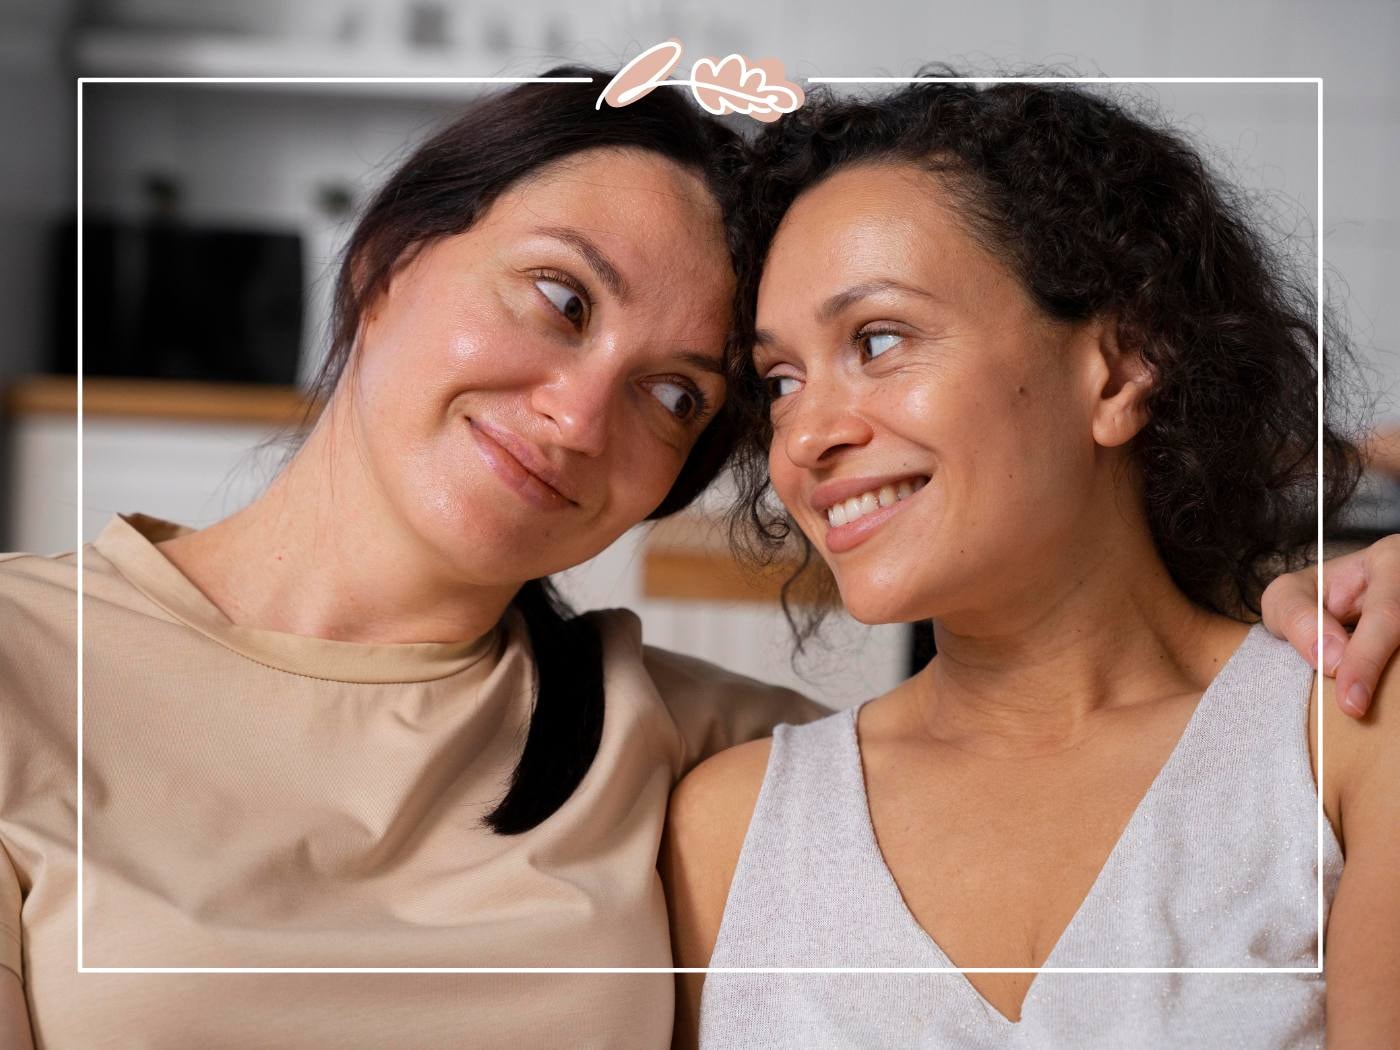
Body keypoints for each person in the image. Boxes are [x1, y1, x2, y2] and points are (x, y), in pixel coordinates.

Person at [0, 71, 1392, 1050]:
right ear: (386, 256)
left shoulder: (672, 750)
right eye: (559, 299)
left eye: (679, 393)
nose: (578, 409)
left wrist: (1326, 590)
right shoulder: (25, 664)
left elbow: (1085, 698)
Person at [664, 78, 1400, 1049]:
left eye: (877, 340)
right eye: (780, 381)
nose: (802, 438)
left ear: (1121, 365)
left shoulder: (1343, 731)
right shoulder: (731, 829)